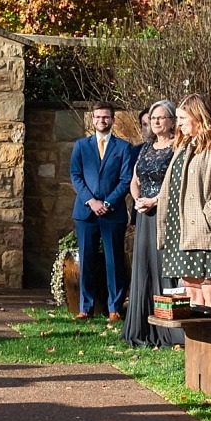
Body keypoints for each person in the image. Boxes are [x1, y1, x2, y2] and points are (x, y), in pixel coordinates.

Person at [155, 95, 211, 316]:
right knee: (191, 289)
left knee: (210, 291)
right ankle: (198, 348)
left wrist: (208, 215)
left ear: (197, 115)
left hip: (204, 229)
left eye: (183, 117)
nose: (179, 123)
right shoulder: (183, 146)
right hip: (179, 227)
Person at [69, 100, 135, 321]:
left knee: (113, 260)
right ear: (92, 119)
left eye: (105, 117)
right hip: (85, 212)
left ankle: (114, 308)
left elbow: (126, 179)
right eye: (97, 117)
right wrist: (91, 201)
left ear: (113, 119)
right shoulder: (81, 146)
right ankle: (85, 307)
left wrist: (107, 203)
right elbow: (75, 176)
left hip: (112, 212)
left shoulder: (123, 148)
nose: (101, 120)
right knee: (86, 259)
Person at [122, 99, 181, 348]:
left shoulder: (177, 147)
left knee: (161, 265)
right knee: (143, 265)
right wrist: (137, 200)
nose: (156, 122)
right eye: (153, 118)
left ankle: (167, 327)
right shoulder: (146, 148)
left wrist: (155, 200)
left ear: (171, 121)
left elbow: (175, 181)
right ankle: (141, 324)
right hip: (144, 213)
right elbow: (135, 179)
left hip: (164, 213)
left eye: (161, 118)